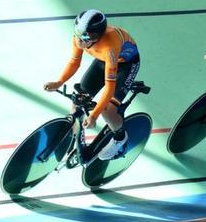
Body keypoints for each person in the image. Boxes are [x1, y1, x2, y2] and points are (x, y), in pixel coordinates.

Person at [44, 9, 140, 161]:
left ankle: (120, 138)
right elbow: (74, 62)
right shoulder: (78, 37)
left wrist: (94, 115)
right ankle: (74, 137)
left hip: (125, 65)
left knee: (107, 110)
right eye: (78, 33)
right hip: (103, 61)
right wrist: (59, 82)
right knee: (78, 102)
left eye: (87, 36)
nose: (81, 41)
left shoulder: (109, 48)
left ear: (98, 36)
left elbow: (109, 88)